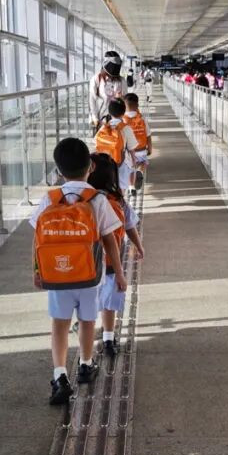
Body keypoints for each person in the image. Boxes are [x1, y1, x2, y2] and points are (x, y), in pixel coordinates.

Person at [30, 138, 125, 404]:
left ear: (59, 170)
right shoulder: (97, 200)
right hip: (89, 276)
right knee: (87, 321)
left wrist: (37, 270)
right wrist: (118, 272)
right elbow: (110, 241)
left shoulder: (49, 199)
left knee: (59, 324)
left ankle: (60, 375)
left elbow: (37, 238)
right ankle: (85, 364)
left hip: (56, 275)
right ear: (90, 167)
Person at [86, 153, 144, 359]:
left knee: (89, 302)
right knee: (109, 303)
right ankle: (109, 339)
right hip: (112, 263)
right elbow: (129, 226)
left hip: (88, 264)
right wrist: (139, 246)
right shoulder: (117, 200)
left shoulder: (84, 200)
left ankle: (86, 339)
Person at [95, 97, 139, 194]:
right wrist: (134, 161)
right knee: (121, 191)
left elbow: (96, 144)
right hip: (120, 163)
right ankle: (130, 189)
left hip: (104, 164)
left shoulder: (103, 128)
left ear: (109, 112)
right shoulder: (125, 128)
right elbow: (132, 149)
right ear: (124, 113)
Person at [89, 52, 127, 130]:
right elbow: (92, 100)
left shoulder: (121, 80)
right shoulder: (96, 79)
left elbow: (125, 99)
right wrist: (95, 118)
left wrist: (120, 98)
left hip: (116, 119)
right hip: (100, 119)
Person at [123, 92, 151, 193]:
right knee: (143, 163)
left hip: (129, 152)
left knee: (130, 168)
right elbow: (148, 135)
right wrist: (150, 149)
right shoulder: (142, 119)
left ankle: (131, 187)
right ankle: (140, 171)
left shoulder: (123, 120)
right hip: (141, 150)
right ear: (137, 105)